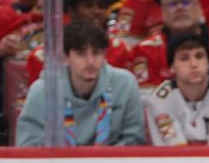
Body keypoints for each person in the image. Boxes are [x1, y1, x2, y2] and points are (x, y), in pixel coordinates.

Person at [17, 20, 146, 146]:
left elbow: (134, 139)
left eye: (96, 53)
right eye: (81, 54)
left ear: (105, 54)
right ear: (66, 57)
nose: (90, 61)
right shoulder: (43, 90)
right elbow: (28, 145)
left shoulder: (125, 84)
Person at [145, 33, 209, 145]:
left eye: (199, 56)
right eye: (184, 58)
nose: (193, 64)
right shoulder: (160, 98)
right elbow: (172, 152)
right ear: (172, 67)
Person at [25, 0, 130, 85]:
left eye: (101, 6)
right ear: (71, 10)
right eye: (88, 6)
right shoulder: (45, 55)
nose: (97, 11)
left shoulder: (120, 50)